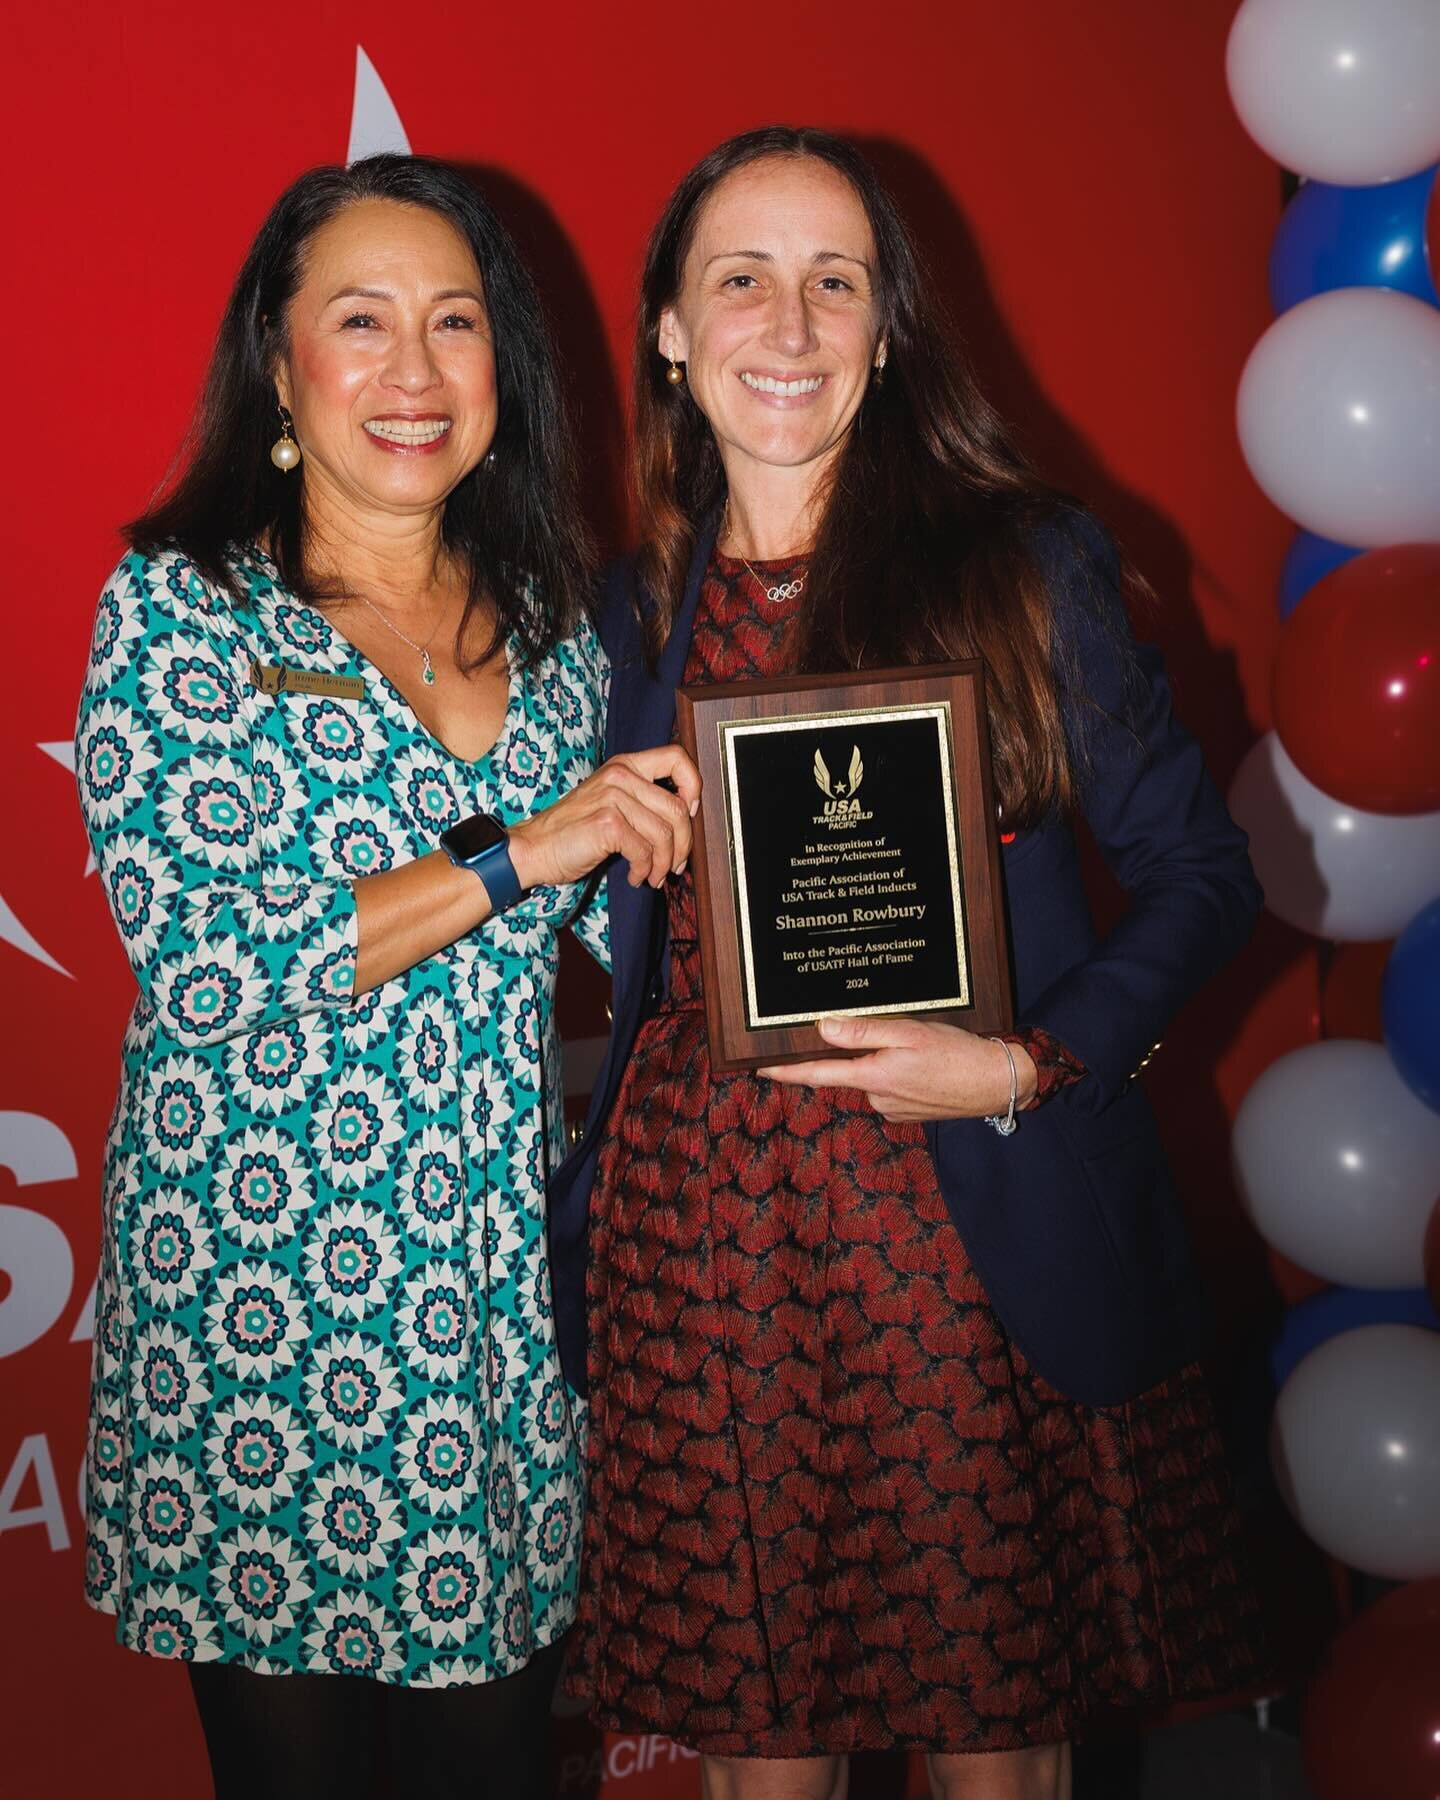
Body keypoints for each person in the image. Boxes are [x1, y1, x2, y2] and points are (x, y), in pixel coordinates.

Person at [548, 127, 1268, 1800]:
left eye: (834, 283)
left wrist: (1028, 1063)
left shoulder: (1026, 565)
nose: (786, 326)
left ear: (887, 332)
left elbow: (1200, 878)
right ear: (669, 327)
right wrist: (586, 830)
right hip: (704, 1241)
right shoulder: (618, 613)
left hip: (959, 1223)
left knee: (991, 1748)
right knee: (757, 1758)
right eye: (741, 279)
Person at [76, 153, 695, 1800]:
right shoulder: (180, 611)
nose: (415, 373)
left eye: (455, 323)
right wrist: (519, 852)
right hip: (260, 1310)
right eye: (362, 322)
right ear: (280, 369)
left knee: (493, 1763)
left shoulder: (567, 622)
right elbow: (207, 963)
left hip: (487, 1316)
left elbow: (628, 928)